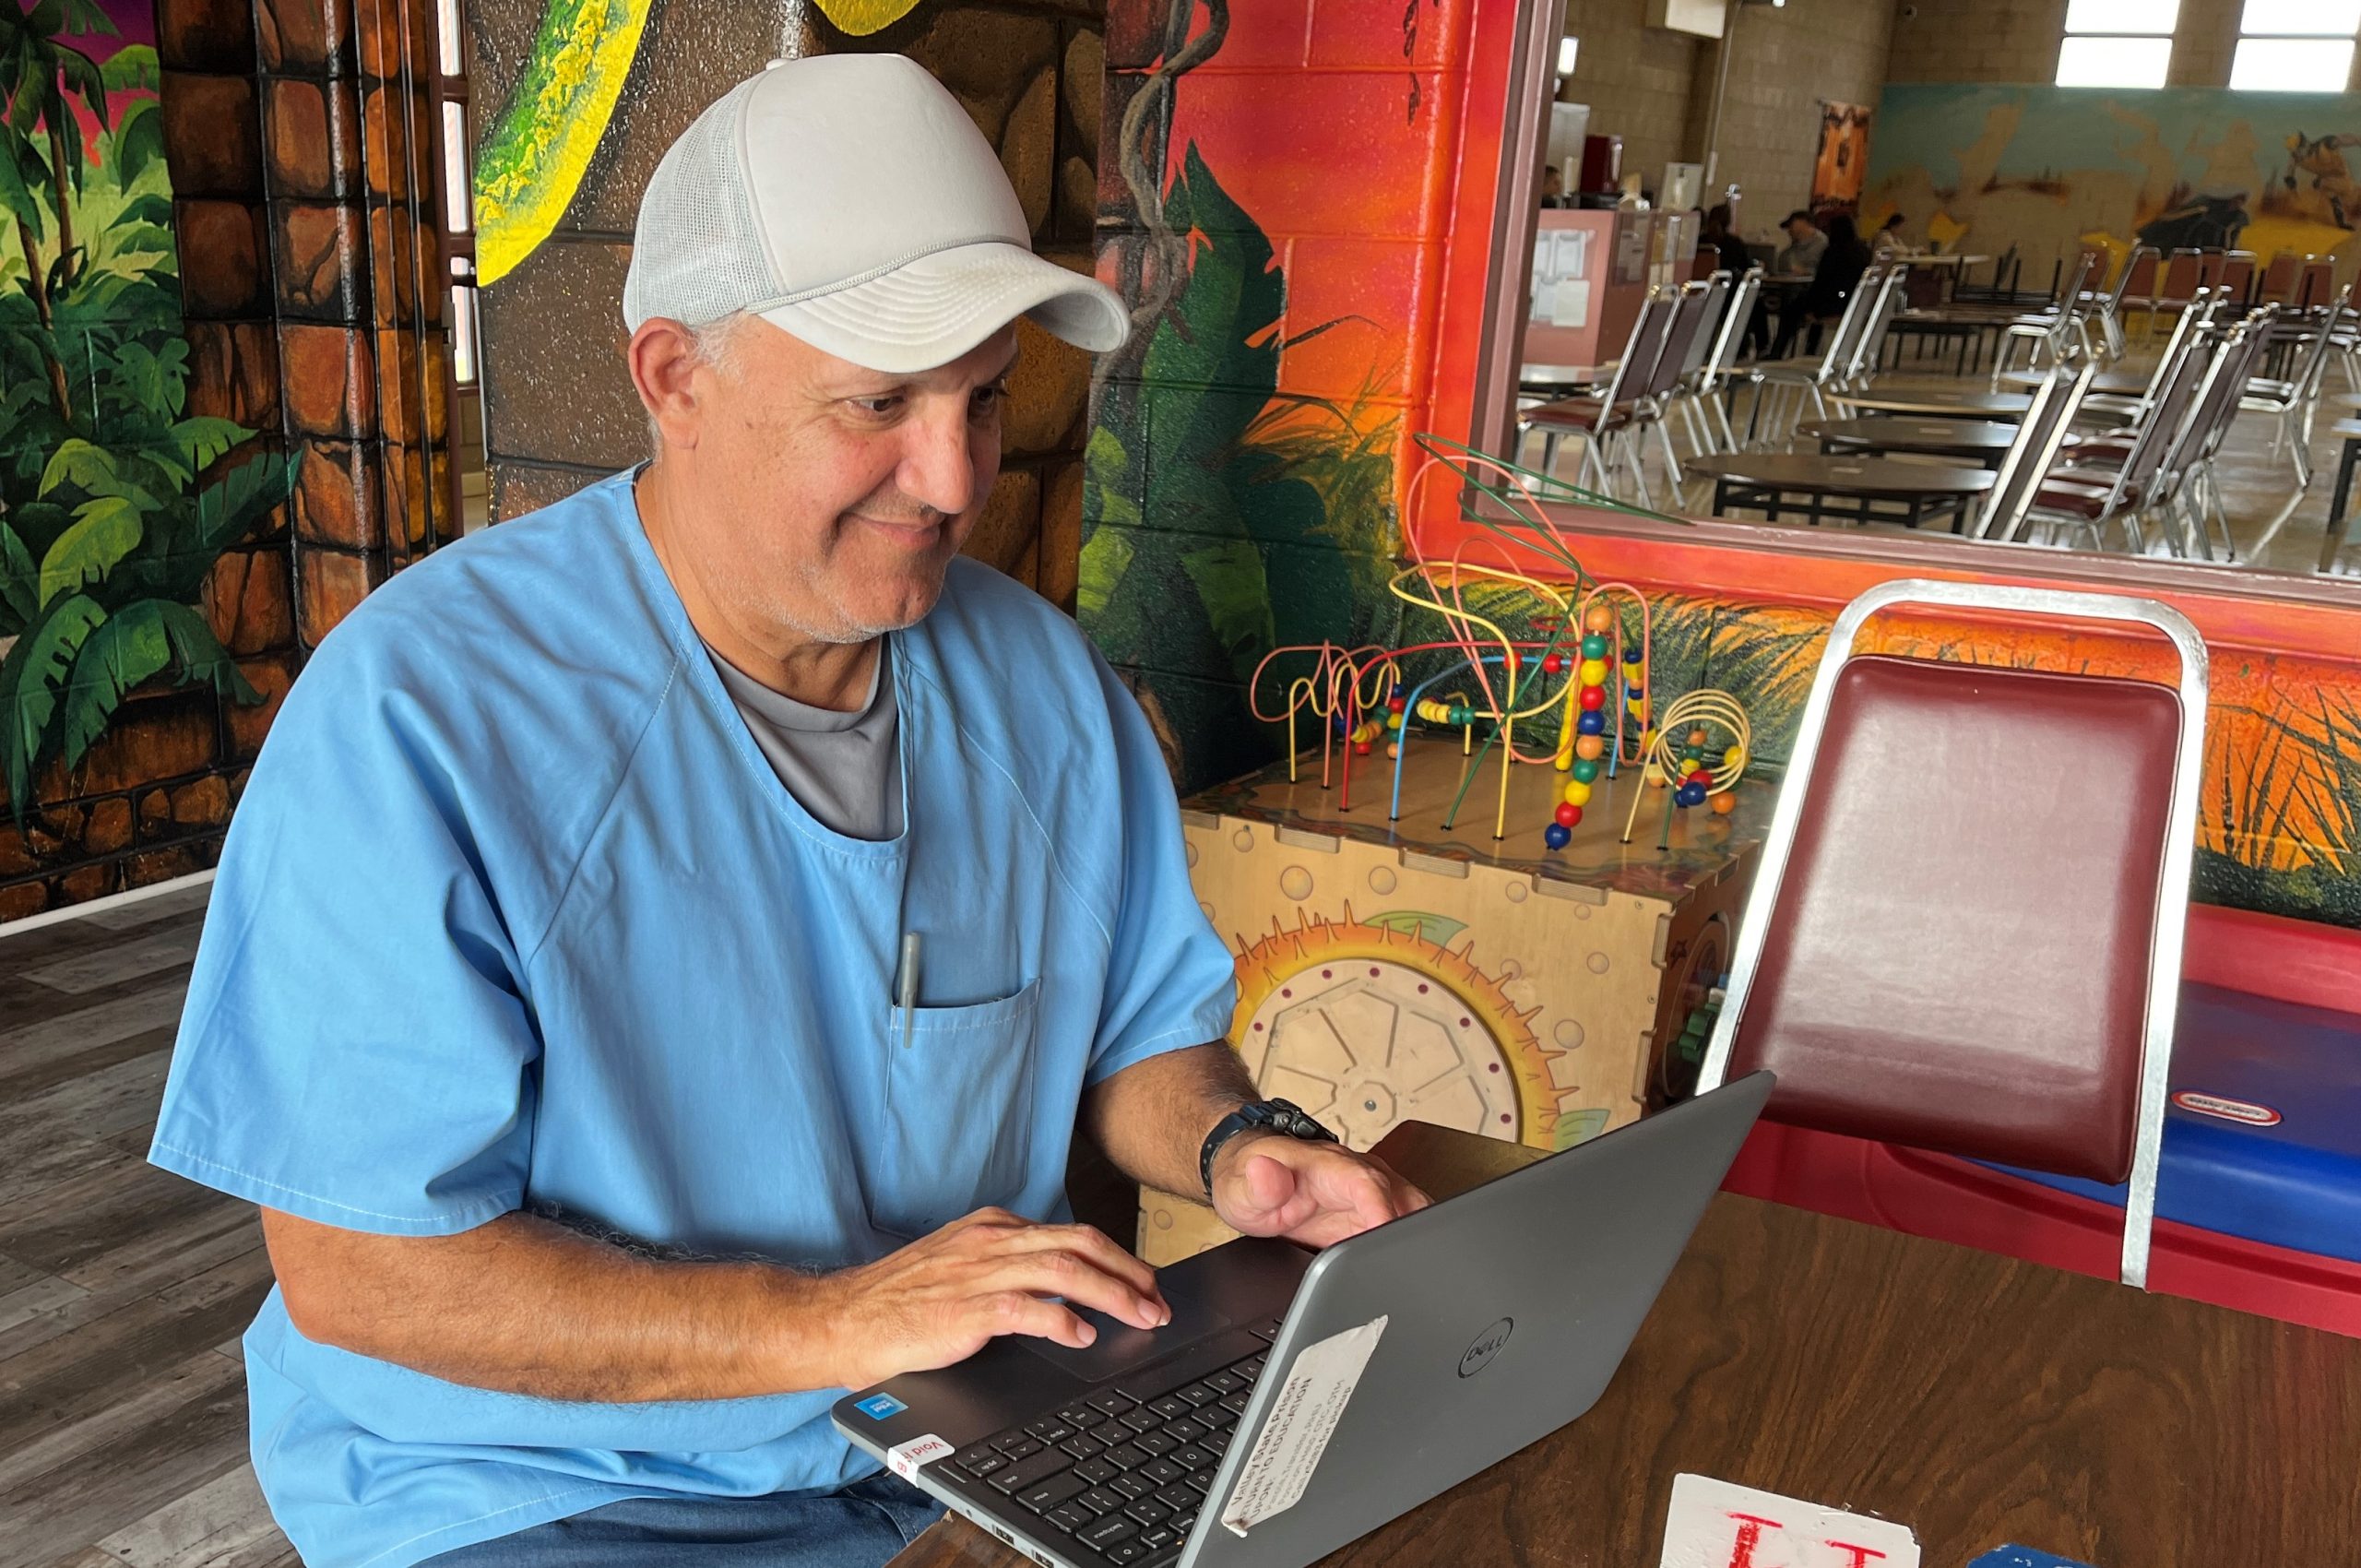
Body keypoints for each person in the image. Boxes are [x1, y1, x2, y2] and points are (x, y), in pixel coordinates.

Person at [148, 53, 1430, 1568]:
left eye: (983, 396)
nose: (955, 477)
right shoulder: (420, 718)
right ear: (677, 378)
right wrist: (830, 1325)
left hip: (954, 1442)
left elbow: (1143, 1038)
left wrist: (1236, 1145)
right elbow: (366, 1279)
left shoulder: (1041, 687)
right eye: (879, 400)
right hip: (542, 1490)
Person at [1774, 213, 1870, 360]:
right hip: (1851, 302)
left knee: (1791, 309)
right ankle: (1810, 348)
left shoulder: (1833, 252)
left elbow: (1821, 282)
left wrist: (1810, 305)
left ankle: (1778, 351)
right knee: (1804, 304)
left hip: (1832, 305)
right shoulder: (1862, 251)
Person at [1702, 203, 1764, 355]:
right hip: (1731, 296)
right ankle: (1759, 346)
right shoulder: (1734, 243)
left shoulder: (1701, 241)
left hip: (1705, 293)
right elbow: (1747, 267)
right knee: (1757, 304)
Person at [1774, 209, 1827, 279]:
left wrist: (1805, 271)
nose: (1789, 231)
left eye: (1791, 225)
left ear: (1803, 222)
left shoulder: (1822, 243)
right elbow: (1783, 260)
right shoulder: (1796, 245)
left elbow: (1826, 271)